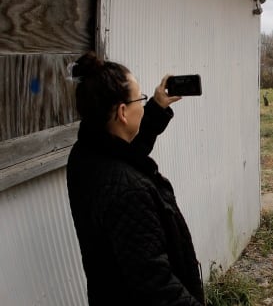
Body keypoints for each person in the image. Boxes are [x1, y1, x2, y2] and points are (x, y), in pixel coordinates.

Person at [66, 51, 204, 306]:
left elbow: (126, 151)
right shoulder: (130, 194)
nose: (143, 104)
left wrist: (157, 106)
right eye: (140, 99)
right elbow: (157, 286)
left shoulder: (85, 154)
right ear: (122, 112)